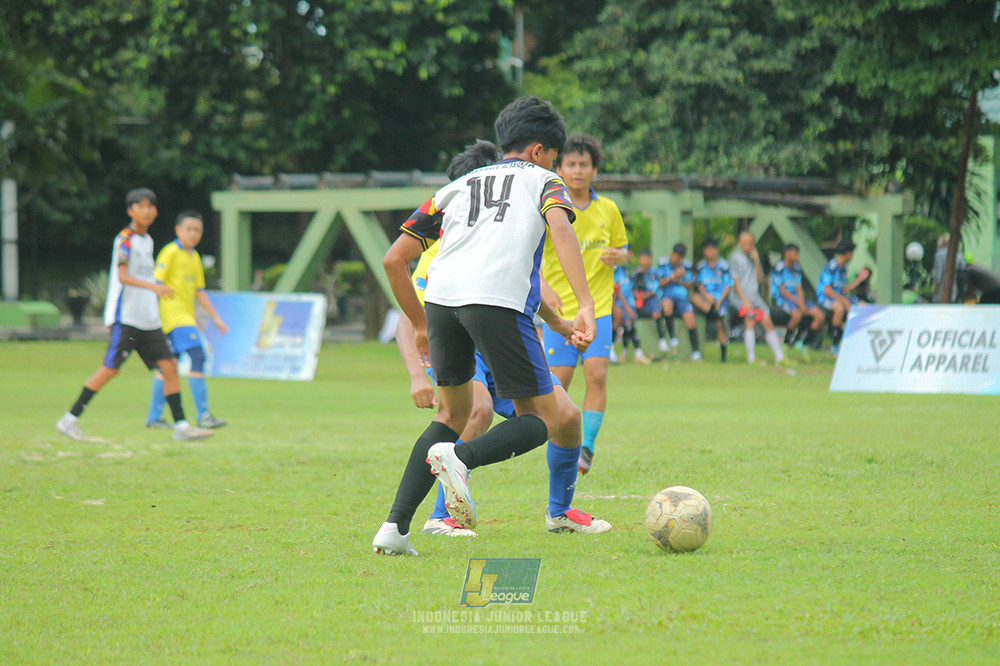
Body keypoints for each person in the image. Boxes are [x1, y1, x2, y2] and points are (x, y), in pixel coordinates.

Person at [373, 96, 597, 555]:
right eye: (554, 157)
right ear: (539, 151)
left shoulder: (457, 186)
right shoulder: (544, 181)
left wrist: (419, 325)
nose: (555, 166)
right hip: (496, 305)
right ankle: (462, 458)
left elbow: (394, 260)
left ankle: (394, 528)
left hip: (442, 305)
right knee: (545, 418)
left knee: (450, 416)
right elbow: (560, 229)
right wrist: (587, 304)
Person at [56, 189, 213, 443]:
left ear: (155, 211)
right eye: (140, 206)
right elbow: (123, 276)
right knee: (110, 370)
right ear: (130, 211)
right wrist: (155, 287)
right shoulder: (125, 239)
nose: (146, 211)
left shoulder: (147, 241)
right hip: (127, 320)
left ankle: (181, 427)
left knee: (169, 366)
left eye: (150, 206)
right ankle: (69, 419)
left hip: (149, 321)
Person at [538, 133, 629, 475]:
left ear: (594, 170)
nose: (578, 170)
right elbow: (531, 256)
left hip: (599, 307)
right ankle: (560, 448)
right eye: (571, 164)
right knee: (558, 383)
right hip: (560, 312)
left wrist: (619, 256)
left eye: (584, 164)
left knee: (597, 374)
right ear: (559, 169)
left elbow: (624, 249)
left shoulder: (609, 209)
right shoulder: (550, 208)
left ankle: (586, 447)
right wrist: (544, 288)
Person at [145, 210, 229, 430]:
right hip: (174, 316)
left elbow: (199, 291)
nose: (193, 234)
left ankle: (154, 418)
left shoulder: (194, 257)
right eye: (189, 229)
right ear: (178, 230)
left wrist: (216, 318)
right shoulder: (170, 252)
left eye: (198, 230)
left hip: (184, 316)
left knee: (169, 365)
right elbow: (156, 284)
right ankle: (204, 415)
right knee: (198, 356)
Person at [728, 231, 786, 364]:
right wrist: (744, 301)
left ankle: (779, 356)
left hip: (754, 296)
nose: (747, 246)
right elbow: (735, 282)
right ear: (740, 243)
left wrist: (757, 261)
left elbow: (760, 279)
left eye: (750, 243)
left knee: (767, 320)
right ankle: (751, 358)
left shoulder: (754, 258)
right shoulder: (735, 258)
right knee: (750, 320)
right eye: (745, 243)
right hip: (740, 297)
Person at [816, 239, 871, 354]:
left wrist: (859, 279)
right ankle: (835, 344)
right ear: (848, 254)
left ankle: (860, 341)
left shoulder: (844, 268)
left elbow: (843, 289)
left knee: (865, 307)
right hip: (825, 298)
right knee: (839, 309)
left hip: (839, 296)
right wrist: (844, 301)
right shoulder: (831, 267)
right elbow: (827, 291)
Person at [769, 243, 826, 349]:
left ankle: (806, 343)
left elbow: (798, 288)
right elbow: (783, 291)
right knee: (797, 315)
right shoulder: (779, 268)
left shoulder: (797, 268)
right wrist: (799, 303)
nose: (798, 256)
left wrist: (802, 303)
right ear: (787, 254)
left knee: (820, 316)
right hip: (784, 298)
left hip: (797, 299)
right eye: (795, 254)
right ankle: (787, 342)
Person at [690, 238, 733, 362]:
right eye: (707, 249)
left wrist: (719, 301)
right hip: (707, 301)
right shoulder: (701, 266)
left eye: (712, 249)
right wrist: (707, 296)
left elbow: (728, 285)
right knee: (694, 298)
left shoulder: (724, 266)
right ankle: (716, 313)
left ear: (717, 250)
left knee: (720, 325)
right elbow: (700, 285)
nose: (710, 252)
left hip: (721, 300)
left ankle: (723, 356)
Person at [658, 243, 701, 360]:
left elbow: (691, 284)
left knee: (690, 319)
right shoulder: (663, 263)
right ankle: (673, 338)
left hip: (682, 296)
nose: (677, 259)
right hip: (667, 294)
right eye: (676, 256)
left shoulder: (686, 266)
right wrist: (671, 278)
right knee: (666, 305)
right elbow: (659, 283)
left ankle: (696, 351)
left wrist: (680, 279)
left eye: (680, 257)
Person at [612, 260, 650, 364]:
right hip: (620, 304)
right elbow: (617, 291)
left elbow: (627, 288)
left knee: (629, 326)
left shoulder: (625, 269)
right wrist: (628, 309)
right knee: (628, 323)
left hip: (629, 303)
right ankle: (635, 352)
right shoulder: (614, 270)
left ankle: (627, 352)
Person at [631, 249, 669, 350]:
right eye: (642, 258)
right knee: (631, 314)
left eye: (647, 258)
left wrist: (646, 295)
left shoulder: (654, 272)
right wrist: (636, 295)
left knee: (656, 312)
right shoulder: (635, 273)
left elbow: (655, 287)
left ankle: (662, 340)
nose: (645, 261)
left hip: (650, 298)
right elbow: (631, 287)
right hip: (638, 300)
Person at [932, 233, 966, 303]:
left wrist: (935, 289)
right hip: (953, 291)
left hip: (941, 291)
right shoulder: (958, 254)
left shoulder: (939, 254)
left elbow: (938, 274)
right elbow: (962, 270)